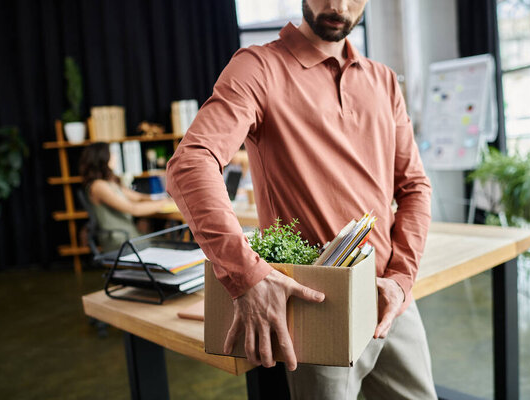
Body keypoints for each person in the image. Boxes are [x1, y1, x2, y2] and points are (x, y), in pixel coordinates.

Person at [166, 0, 435, 398]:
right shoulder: (257, 68)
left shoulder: (384, 81)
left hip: (391, 300)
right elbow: (190, 164)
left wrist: (400, 278)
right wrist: (246, 274)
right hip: (317, 302)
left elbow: (414, 186)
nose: (338, 6)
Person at [79, 142, 174, 252]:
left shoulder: (111, 183)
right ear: (103, 158)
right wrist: (164, 202)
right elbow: (133, 209)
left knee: (172, 243)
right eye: (111, 154)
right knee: (175, 246)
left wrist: (164, 198)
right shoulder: (98, 186)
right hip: (121, 242)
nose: (115, 157)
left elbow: (138, 197)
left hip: (131, 236)